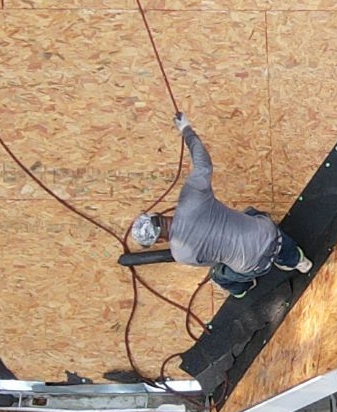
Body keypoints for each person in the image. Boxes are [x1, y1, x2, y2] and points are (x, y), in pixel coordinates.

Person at [127, 117, 303, 292]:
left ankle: (243, 287)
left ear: (161, 240)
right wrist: (186, 129)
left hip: (255, 266)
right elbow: (203, 165)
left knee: (218, 274)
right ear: (158, 215)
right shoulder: (191, 199)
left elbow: (214, 259)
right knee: (250, 214)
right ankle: (299, 261)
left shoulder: (181, 254)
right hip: (270, 234)